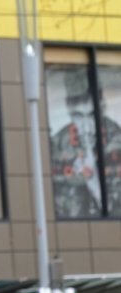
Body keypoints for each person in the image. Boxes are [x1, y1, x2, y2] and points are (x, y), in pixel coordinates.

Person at [50, 68, 121, 217]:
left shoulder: (117, 140)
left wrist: (92, 179)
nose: (87, 128)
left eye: (91, 115)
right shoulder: (58, 143)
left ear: (102, 108)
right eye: (78, 116)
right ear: (69, 109)